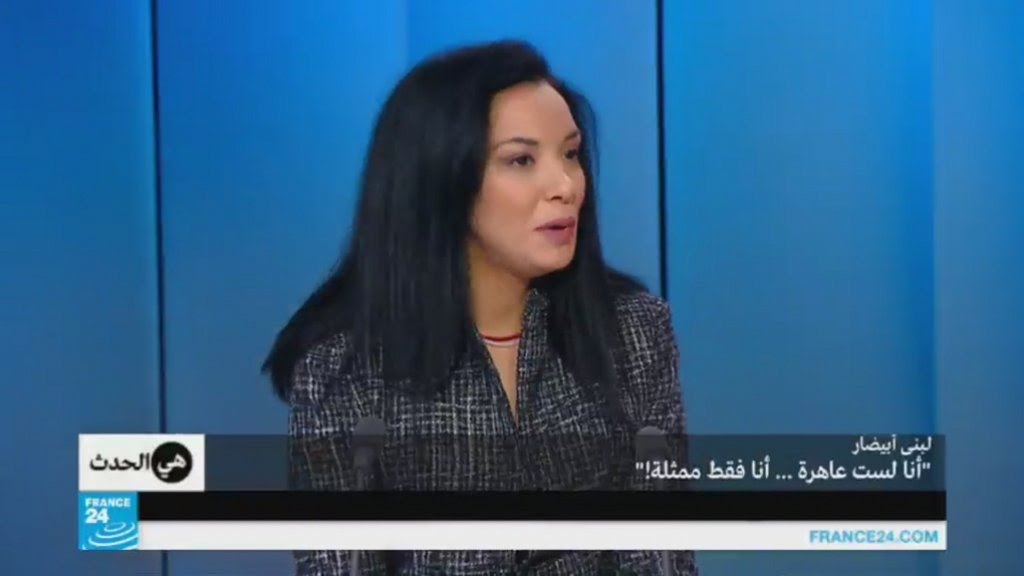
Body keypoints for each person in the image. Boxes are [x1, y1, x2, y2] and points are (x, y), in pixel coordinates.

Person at [263, 39, 698, 575]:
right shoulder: (343, 369)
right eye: (521, 160)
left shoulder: (636, 333)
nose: (565, 186)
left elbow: (661, 553)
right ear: (442, 179)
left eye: (570, 154)